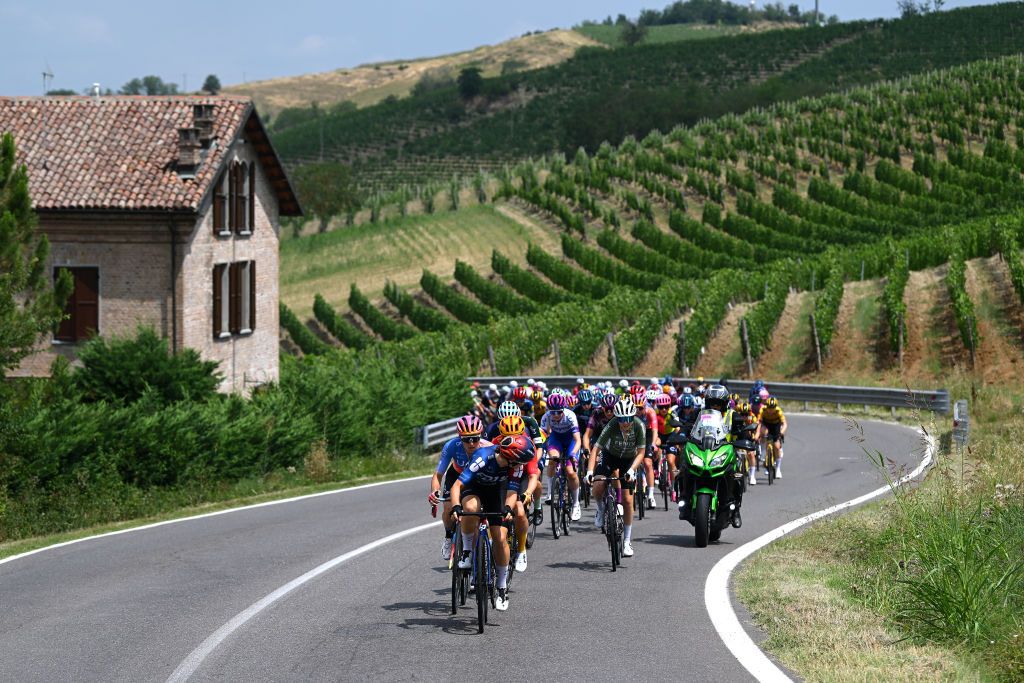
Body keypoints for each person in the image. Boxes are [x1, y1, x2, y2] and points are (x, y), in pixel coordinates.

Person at [450, 428, 531, 612]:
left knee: (500, 537)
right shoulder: (483, 457)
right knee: (470, 510)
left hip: (497, 493)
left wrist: (509, 508)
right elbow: (458, 485)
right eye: (518, 462)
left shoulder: (516, 466)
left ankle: (501, 587)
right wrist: (455, 506)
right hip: (475, 488)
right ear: (511, 457)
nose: (520, 465)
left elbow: (512, 492)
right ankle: (467, 552)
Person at [585, 399, 646, 558]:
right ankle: (600, 509)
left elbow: (641, 453)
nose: (625, 423)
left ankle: (627, 541)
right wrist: (589, 471)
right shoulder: (611, 425)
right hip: (609, 456)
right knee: (598, 484)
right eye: (621, 419)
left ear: (633, 416)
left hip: (629, 460)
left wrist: (633, 470)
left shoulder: (639, 426)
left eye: (628, 419)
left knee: (627, 501)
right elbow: (596, 449)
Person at [430, 415, 489, 560]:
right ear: (459, 438)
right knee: (449, 506)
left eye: (475, 438)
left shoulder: (488, 447)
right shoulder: (451, 445)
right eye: (466, 439)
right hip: (455, 475)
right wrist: (435, 492)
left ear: (480, 436)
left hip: (478, 478)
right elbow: (438, 475)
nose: (471, 443)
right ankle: (449, 537)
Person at [499, 428, 540, 572]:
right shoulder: (496, 443)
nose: (510, 439)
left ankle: (521, 550)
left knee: (520, 511)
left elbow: (533, 475)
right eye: (505, 436)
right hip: (503, 473)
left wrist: (528, 493)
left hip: (520, 474)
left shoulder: (526, 445)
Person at [540, 392, 583, 521]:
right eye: (553, 412)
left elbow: (578, 439)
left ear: (563, 409)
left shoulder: (570, 416)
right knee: (553, 460)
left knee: (570, 472)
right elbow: (543, 436)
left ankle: (576, 504)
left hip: (571, 441)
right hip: (556, 439)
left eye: (559, 412)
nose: (556, 415)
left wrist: (573, 454)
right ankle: (549, 494)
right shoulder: (546, 417)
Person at [756, 396, 787, 479]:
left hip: (776, 426)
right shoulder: (763, 410)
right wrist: (758, 433)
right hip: (766, 425)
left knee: (776, 447)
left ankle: (778, 469)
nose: (770, 410)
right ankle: (765, 455)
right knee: (764, 434)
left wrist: (781, 433)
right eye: (769, 407)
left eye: (772, 408)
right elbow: (759, 423)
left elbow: (784, 424)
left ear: (775, 407)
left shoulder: (778, 411)